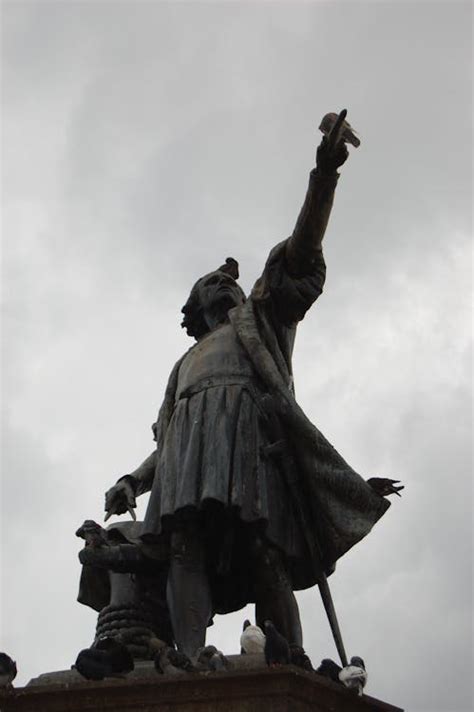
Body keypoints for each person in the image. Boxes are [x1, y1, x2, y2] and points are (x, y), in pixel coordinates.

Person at [104, 113, 391, 658]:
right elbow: (166, 443)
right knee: (184, 547)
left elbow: (300, 253)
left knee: (266, 550)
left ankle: (288, 660)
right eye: (217, 282)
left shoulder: (260, 320)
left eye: (231, 282)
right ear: (200, 304)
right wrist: (131, 481)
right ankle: (188, 660)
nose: (228, 286)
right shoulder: (185, 363)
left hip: (251, 442)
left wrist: (323, 175)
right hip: (190, 453)